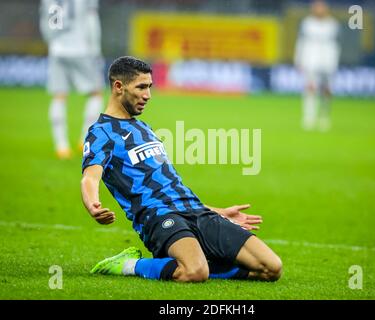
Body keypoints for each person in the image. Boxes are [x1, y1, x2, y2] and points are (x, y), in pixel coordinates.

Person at [81, 56, 283, 282]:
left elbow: (168, 185)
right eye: (141, 87)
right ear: (119, 86)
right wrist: (92, 204)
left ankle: (201, 261)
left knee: (271, 268)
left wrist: (217, 211)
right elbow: (90, 178)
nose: (148, 95)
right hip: (158, 217)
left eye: (149, 87)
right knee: (194, 272)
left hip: (196, 211)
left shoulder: (144, 128)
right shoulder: (101, 132)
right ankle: (128, 264)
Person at [39, 0, 104, 159]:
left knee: (59, 95)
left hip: (57, 49)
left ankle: (61, 146)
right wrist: (95, 48)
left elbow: (44, 23)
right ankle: (85, 139)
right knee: (96, 93)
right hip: (81, 48)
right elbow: (91, 20)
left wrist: (53, 43)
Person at [294, 0, 341, 131]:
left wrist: (335, 62)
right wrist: (299, 60)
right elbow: (301, 42)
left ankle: (324, 117)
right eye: (317, 7)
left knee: (327, 91)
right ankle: (309, 117)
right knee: (310, 88)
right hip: (311, 60)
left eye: (322, 7)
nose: (319, 10)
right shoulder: (307, 23)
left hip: (328, 61)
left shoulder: (332, 24)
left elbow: (336, 45)